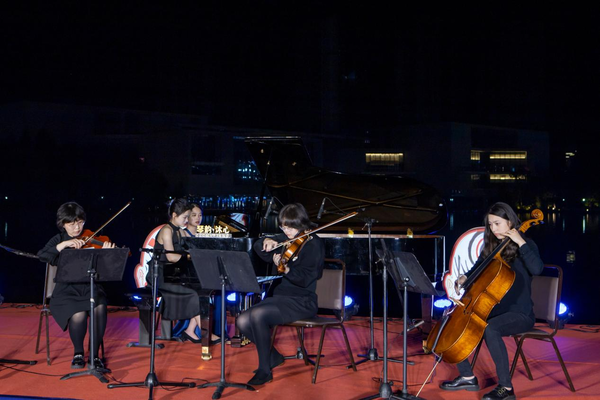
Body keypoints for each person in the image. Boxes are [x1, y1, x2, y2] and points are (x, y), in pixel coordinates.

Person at [439, 202, 544, 400]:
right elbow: (477, 269)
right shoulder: (492, 248)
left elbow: (537, 269)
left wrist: (520, 242)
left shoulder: (527, 245)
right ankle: (467, 376)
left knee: (490, 328)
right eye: (490, 225)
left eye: (497, 223)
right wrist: (465, 278)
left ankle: (506, 388)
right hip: (493, 310)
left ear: (510, 222)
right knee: (454, 321)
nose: (493, 229)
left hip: (520, 313)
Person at [236, 203, 325, 386]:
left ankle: (264, 370)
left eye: (290, 227)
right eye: (283, 227)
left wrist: (287, 270)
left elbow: (306, 279)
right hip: (281, 297)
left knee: (258, 315)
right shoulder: (286, 238)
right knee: (242, 321)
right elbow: (260, 249)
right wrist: (266, 241)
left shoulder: (314, 244)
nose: (286, 232)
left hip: (302, 300)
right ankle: (274, 356)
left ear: (301, 223)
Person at [37, 202, 115, 369]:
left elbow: (110, 266)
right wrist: (63, 245)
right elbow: (42, 255)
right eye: (72, 224)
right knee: (78, 313)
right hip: (66, 291)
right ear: (63, 224)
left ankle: (94, 355)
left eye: (80, 222)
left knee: (99, 306)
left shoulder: (91, 237)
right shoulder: (59, 239)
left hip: (91, 287)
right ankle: (78, 353)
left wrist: (108, 252)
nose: (77, 228)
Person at [149, 198, 206, 344]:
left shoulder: (180, 231)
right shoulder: (167, 230)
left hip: (173, 274)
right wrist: (190, 256)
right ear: (174, 215)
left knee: (200, 291)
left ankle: (191, 330)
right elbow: (171, 256)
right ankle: (206, 334)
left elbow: (193, 245)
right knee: (193, 294)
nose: (187, 221)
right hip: (160, 275)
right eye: (185, 217)